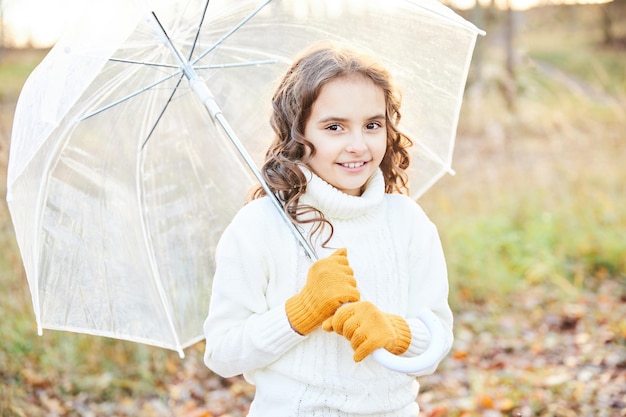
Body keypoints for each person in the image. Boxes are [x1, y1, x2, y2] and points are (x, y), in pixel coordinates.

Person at [203, 41, 453, 416]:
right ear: (298, 133)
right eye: (334, 127)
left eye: (372, 125)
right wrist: (301, 311)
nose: (357, 145)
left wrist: (395, 331)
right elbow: (222, 353)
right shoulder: (261, 226)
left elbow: (438, 340)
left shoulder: (407, 222)